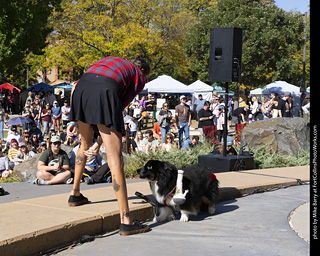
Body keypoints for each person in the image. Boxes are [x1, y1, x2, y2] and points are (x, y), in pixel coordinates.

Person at [67, 56, 150, 235]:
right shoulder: (138, 77)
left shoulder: (111, 61)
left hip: (81, 88)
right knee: (115, 160)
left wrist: (74, 120)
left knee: (84, 143)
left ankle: (75, 194)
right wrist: (100, 143)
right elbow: (116, 107)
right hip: (104, 89)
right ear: (143, 71)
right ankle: (126, 220)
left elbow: (75, 85)